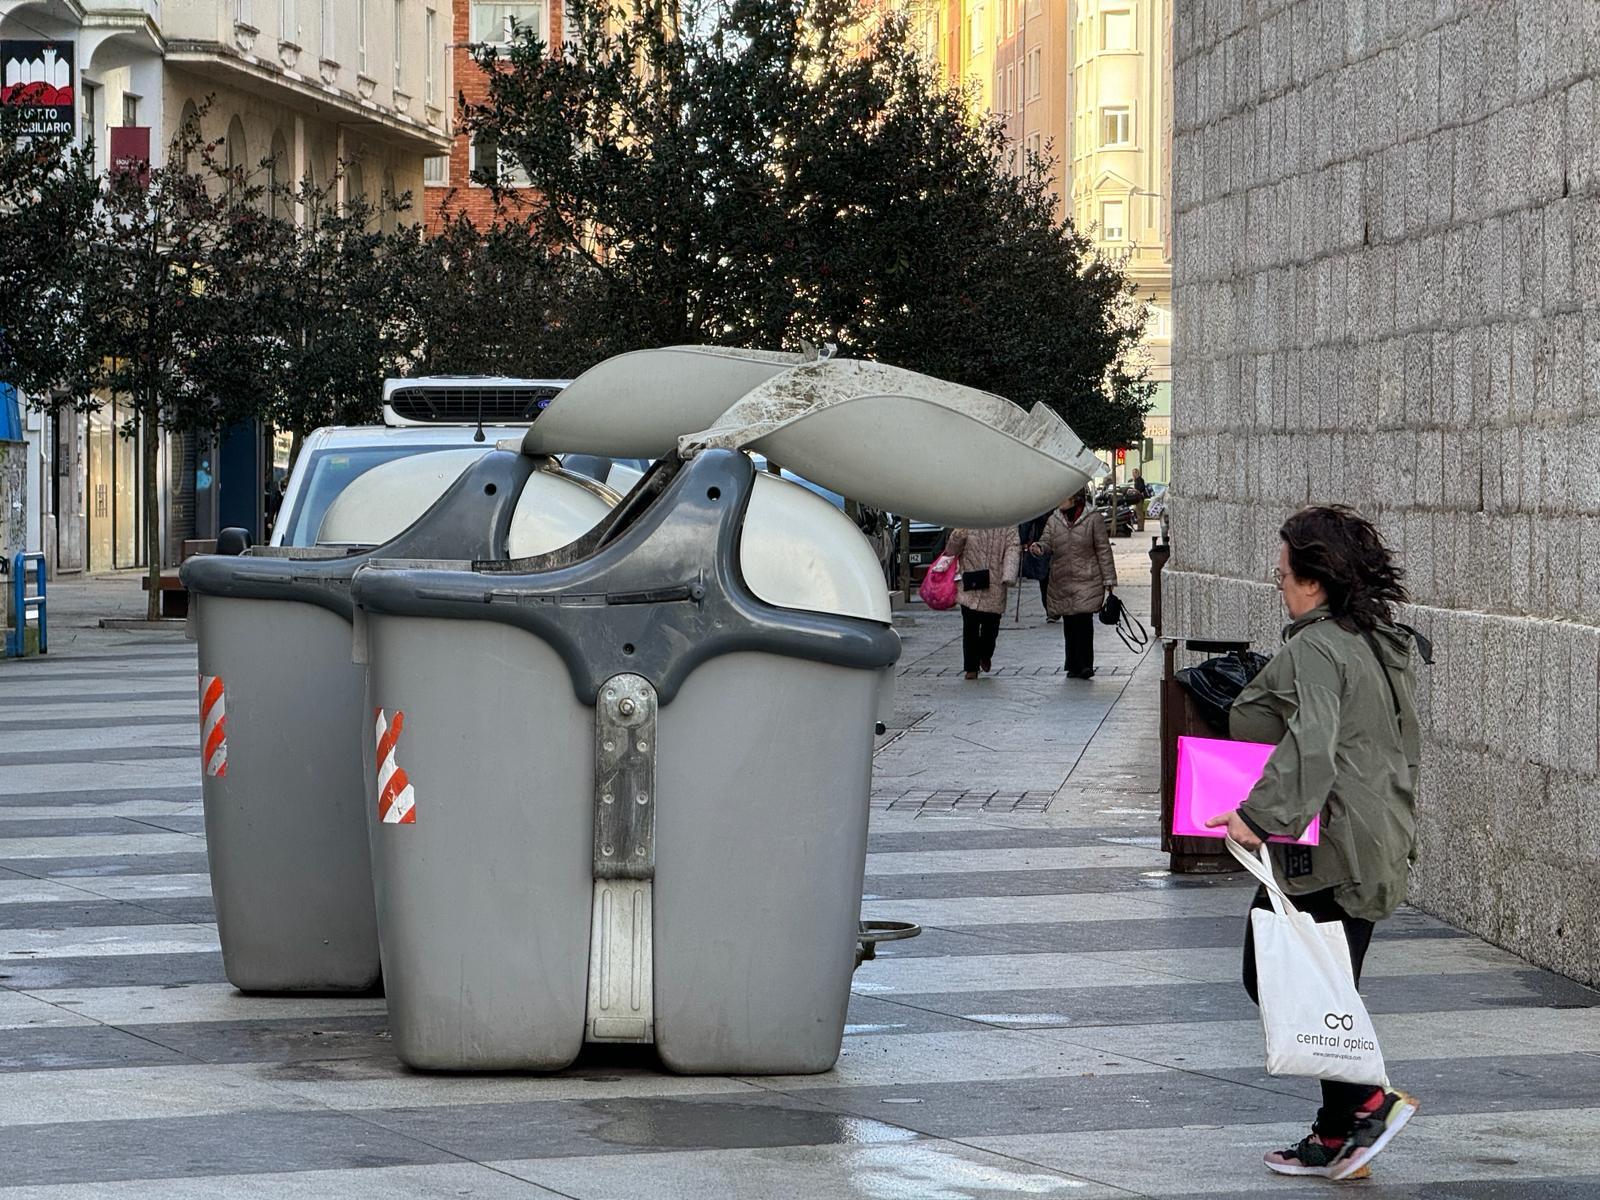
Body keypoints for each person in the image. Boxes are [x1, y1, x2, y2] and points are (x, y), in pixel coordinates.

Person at [1205, 505, 1422, 1182]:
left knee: (1272, 974)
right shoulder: (1368, 638)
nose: (1279, 583)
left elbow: (1313, 744)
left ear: (1316, 580)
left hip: (1333, 846)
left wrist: (1256, 814)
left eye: (1284, 574)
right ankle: (1336, 1134)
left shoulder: (1318, 648)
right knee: (1326, 986)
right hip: (1371, 834)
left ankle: (1367, 1103)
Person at [1028, 488, 1116, 678]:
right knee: (1069, 620)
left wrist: (1109, 578)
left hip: (1087, 576)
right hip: (1063, 577)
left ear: (1075, 499)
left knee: (1083, 620)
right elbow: (1047, 541)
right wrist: (1039, 548)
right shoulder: (1054, 519)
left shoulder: (1093, 518)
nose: (1059, 500)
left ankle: (1085, 664)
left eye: (1064, 496)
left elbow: (1103, 549)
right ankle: (1072, 664)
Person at [943, 526, 1019, 680]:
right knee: (970, 624)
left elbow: (1013, 547)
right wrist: (958, 536)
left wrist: (1009, 574)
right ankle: (971, 667)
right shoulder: (969, 519)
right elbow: (951, 551)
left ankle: (985, 654)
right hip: (970, 579)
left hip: (995, 581)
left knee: (991, 625)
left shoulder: (1007, 522)